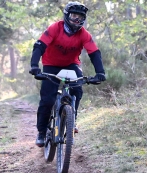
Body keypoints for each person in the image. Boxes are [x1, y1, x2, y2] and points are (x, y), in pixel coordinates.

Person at [29, 1, 106, 147]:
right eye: (74, 16)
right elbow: (39, 46)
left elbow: (94, 53)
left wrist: (100, 72)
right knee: (47, 100)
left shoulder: (84, 34)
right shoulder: (55, 28)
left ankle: (72, 119)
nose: (77, 20)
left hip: (71, 64)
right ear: (66, 16)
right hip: (51, 64)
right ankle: (41, 132)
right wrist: (34, 66)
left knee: (77, 89)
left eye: (80, 17)